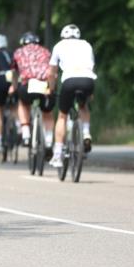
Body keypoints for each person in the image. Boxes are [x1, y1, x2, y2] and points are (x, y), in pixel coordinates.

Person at [48, 24, 96, 167]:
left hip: (69, 80)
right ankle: (86, 133)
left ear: (63, 36)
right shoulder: (86, 45)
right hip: (88, 80)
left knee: (62, 116)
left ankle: (57, 154)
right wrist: (91, 92)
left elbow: (52, 72)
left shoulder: (59, 45)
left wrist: (51, 89)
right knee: (83, 105)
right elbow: (91, 66)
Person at [11, 31, 56, 154]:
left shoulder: (18, 52)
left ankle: (25, 134)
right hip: (43, 84)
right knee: (48, 112)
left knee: (23, 103)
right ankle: (48, 140)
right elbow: (52, 72)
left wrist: (14, 87)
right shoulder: (46, 51)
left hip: (28, 84)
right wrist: (51, 89)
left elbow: (14, 73)